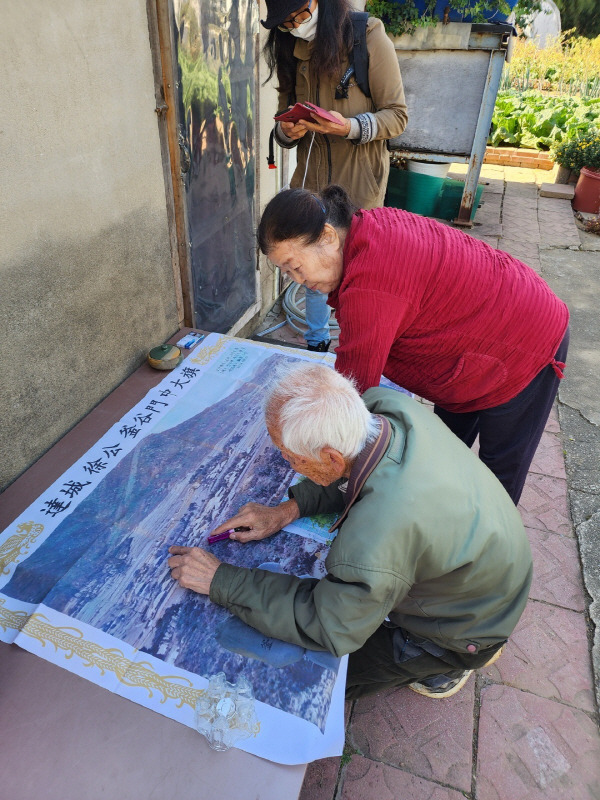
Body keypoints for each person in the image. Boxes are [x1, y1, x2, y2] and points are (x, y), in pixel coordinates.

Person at [168, 364, 532, 700]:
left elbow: (330, 623)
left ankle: (443, 664)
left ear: (330, 458)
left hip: (467, 625)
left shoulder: (378, 533)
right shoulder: (385, 410)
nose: (287, 463)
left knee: (311, 679)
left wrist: (221, 580)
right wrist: (287, 510)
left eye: (290, 457)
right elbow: (352, 472)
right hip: (494, 562)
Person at [255, 185, 570, 505]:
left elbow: (350, 404)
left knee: (496, 485)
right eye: (286, 272)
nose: (297, 279)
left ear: (327, 237)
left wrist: (306, 498)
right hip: (474, 338)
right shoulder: (366, 227)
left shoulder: (370, 287)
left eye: (296, 266)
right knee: (445, 452)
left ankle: (483, 548)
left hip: (528, 342)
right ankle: (443, 513)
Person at [261, 0, 408, 352]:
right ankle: (317, 342)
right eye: (286, 22)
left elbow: (398, 116)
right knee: (311, 269)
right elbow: (283, 115)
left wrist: (349, 127)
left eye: (300, 15)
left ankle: (364, 346)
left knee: (362, 269)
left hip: (359, 182)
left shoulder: (366, 35)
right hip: (311, 181)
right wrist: (288, 132)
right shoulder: (290, 46)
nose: (295, 25)